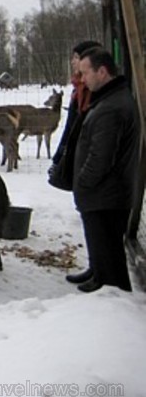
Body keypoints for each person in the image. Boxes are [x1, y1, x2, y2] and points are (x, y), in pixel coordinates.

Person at [72, 47, 139, 293]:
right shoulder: (111, 99)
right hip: (104, 194)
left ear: (102, 72)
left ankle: (113, 298)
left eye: (85, 72)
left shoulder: (111, 108)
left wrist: (83, 182)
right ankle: (100, 276)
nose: (82, 79)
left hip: (105, 196)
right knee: (104, 249)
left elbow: (101, 156)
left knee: (110, 254)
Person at [45, 40, 102, 282]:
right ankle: (96, 266)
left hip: (90, 158)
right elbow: (71, 126)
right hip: (78, 155)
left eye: (76, 57)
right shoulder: (79, 89)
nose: (72, 61)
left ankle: (102, 271)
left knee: (96, 213)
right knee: (87, 212)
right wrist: (61, 154)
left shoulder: (94, 91)